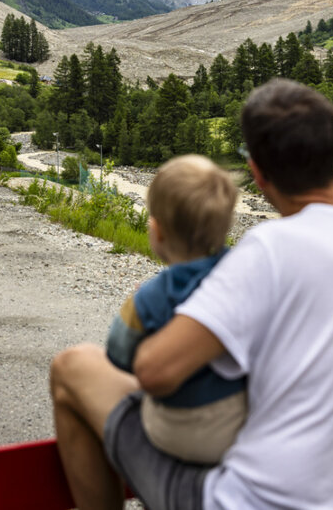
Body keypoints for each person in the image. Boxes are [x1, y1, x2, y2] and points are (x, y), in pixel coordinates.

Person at [49, 78, 333, 509]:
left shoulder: (270, 249)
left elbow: (155, 370)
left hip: (250, 502)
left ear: (258, 173)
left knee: (73, 367)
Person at [105, 154, 247, 465]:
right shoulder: (242, 276)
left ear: (157, 231)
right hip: (241, 423)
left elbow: (117, 352)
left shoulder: (152, 295)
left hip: (178, 430)